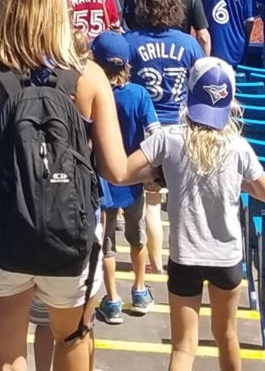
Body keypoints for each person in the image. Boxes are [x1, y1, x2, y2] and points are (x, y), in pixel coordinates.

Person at [0, 0, 125, 371]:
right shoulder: (89, 76)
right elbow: (115, 168)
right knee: (71, 342)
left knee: (6, 358)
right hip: (72, 229)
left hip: (1, 227)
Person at [116, 58, 265, 371]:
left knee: (183, 348)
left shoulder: (169, 139)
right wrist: (235, 181)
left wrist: (159, 175)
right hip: (226, 257)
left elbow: (124, 173)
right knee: (226, 335)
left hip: (185, 255)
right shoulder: (238, 146)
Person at [89, 33, 156, 325]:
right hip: (133, 182)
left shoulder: (91, 92)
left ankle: (113, 299)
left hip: (102, 181)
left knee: (106, 244)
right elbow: (154, 134)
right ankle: (140, 290)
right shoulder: (139, 94)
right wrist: (151, 171)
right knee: (137, 237)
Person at [125, 0, 201, 125]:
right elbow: (200, 83)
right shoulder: (189, 44)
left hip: (141, 123)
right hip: (179, 123)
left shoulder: (128, 41)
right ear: (175, 9)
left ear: (141, 9)